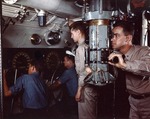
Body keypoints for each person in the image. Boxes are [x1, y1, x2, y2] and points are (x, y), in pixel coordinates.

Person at [108, 21, 150, 119]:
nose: (112, 39)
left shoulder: (144, 51)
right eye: (112, 36)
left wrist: (124, 65)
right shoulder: (115, 54)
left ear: (128, 38)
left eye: (116, 36)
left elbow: (148, 68)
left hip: (147, 102)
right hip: (132, 101)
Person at [70, 21, 98, 119]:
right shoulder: (88, 47)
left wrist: (79, 90)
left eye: (72, 33)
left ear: (78, 32)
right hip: (90, 86)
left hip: (85, 88)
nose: (71, 37)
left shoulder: (81, 49)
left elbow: (84, 72)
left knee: (86, 116)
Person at [50, 52, 78, 119]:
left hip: (72, 98)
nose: (63, 62)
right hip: (75, 97)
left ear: (70, 61)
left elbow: (58, 83)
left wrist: (48, 88)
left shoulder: (68, 72)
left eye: (65, 60)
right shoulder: (75, 69)